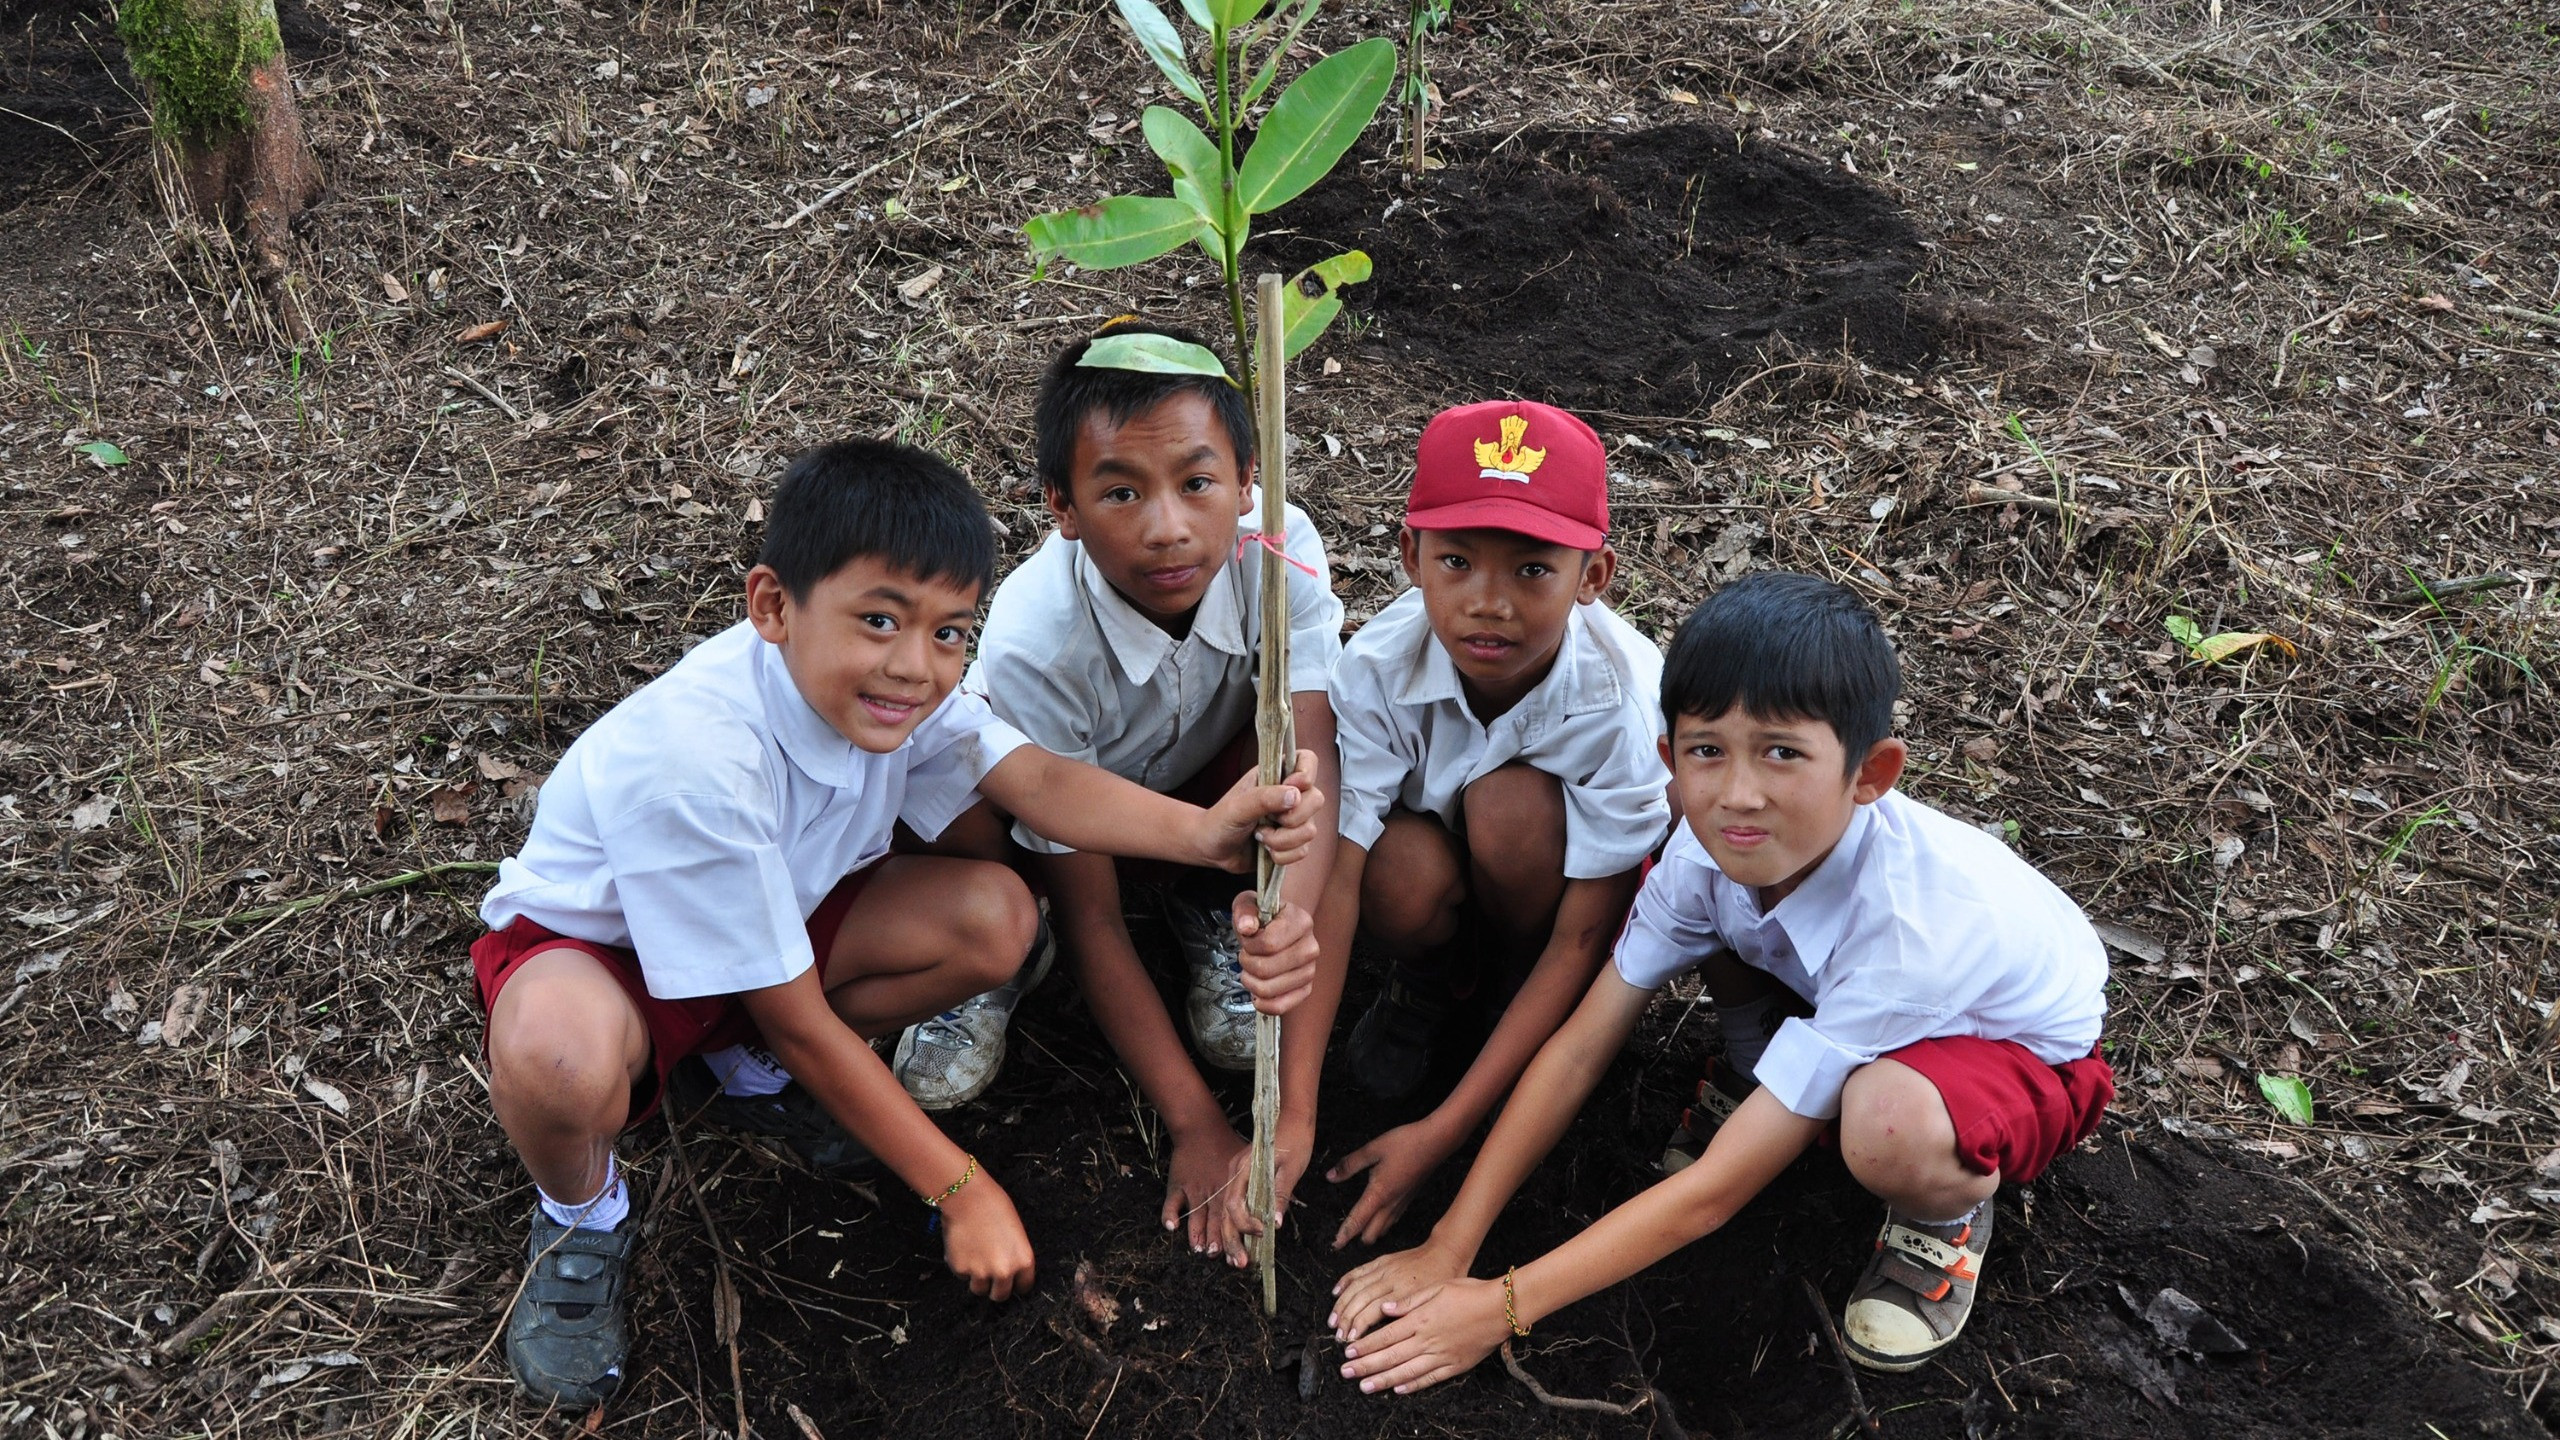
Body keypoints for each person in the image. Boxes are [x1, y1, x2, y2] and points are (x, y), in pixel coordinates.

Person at [472, 439, 1326, 1408]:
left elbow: (1037, 780)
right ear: (772, 607)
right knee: (556, 1056)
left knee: (994, 919)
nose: (914, 666)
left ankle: (742, 1071)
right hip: (604, 963)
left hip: (774, 930)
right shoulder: (697, 763)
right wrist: (961, 1188)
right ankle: (580, 1214)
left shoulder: (904, 696)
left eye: (949, 632)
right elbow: (796, 1009)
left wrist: (1208, 835)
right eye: (878, 620)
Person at [1328, 571, 2113, 1388]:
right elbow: (1578, 1049)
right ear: (1669, 759)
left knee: (1885, 1122)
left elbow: (1710, 1197)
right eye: (1708, 750)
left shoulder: (1906, 933)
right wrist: (1452, 1243)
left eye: (1783, 753)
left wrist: (1502, 1305)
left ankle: (1943, 1215)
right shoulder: (1704, 854)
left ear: (1871, 773)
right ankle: (1760, 1072)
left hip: (2018, 1050)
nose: (1739, 795)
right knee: (1727, 914)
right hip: (1840, 990)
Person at [890, 317, 1347, 1266]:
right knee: (965, 815)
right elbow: (1094, 909)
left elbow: (1312, 762)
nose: (1168, 526)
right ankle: (1010, 955)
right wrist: (1192, 1124)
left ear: (1250, 478)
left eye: (1198, 482)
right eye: (1121, 491)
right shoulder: (1035, 638)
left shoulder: (1281, 550)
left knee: (1270, 779)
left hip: (1213, 794)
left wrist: (1285, 919)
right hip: (1067, 814)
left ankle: (1212, 910)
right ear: (1061, 506)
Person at [1316, 399, 1671, 1251]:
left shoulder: (1624, 704)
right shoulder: (1374, 668)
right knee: (1389, 867)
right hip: (1437, 880)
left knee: (1507, 806)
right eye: (1458, 561)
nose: (1489, 603)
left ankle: (1510, 997)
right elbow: (1338, 872)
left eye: (1533, 571)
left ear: (1595, 577)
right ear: (1411, 558)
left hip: (1546, 917)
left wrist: (1443, 1131)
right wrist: (1294, 1115)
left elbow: (1587, 940)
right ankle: (1434, 982)